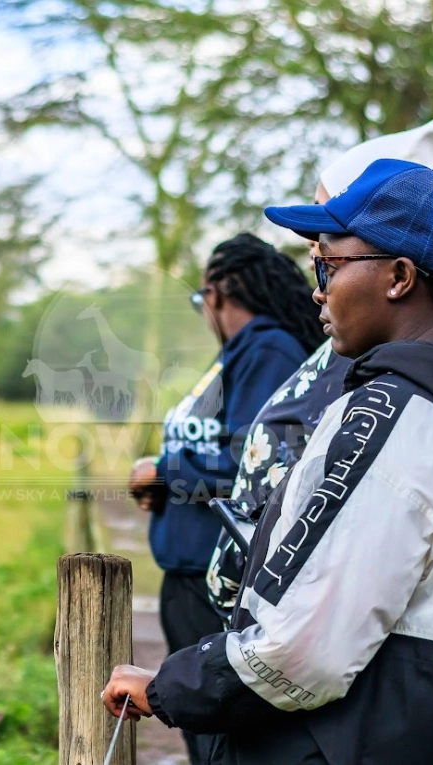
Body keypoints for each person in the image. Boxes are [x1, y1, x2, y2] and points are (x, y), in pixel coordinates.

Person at [105, 159, 433, 765]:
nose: (317, 289)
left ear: (398, 277)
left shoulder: (387, 416)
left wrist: (169, 685)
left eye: (328, 265)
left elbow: (303, 650)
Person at [207, 113, 433, 622]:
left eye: (328, 255)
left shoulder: (386, 404)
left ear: (398, 276)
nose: (316, 276)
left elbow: (338, 615)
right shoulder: (363, 358)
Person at [128, 231, 325, 765]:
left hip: (215, 577)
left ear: (216, 294)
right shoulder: (241, 353)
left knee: (216, 736)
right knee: (202, 734)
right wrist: (168, 485)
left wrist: (164, 471)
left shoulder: (267, 349)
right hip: (190, 571)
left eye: (200, 301)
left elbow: (254, 462)